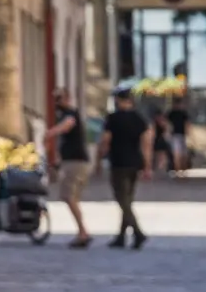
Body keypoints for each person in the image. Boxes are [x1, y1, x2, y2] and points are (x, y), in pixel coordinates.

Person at [96, 89, 152, 249]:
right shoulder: (139, 119)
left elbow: (105, 140)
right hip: (135, 163)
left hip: (118, 163)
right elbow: (146, 143)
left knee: (123, 200)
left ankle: (138, 233)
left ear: (119, 101)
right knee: (127, 200)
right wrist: (147, 165)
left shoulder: (112, 118)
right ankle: (121, 237)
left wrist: (99, 160)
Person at [44, 88, 93, 248]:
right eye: (55, 99)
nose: (56, 102)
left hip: (76, 162)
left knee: (68, 196)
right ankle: (82, 231)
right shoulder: (63, 114)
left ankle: (83, 232)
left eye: (59, 98)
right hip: (72, 162)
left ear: (66, 99)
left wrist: (50, 133)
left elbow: (67, 125)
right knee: (72, 197)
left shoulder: (70, 113)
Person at [167, 97, 190, 173]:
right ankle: (180, 170)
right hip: (177, 135)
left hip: (178, 135)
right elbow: (187, 124)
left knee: (180, 153)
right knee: (179, 153)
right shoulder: (174, 113)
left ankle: (180, 170)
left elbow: (187, 124)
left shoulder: (175, 113)